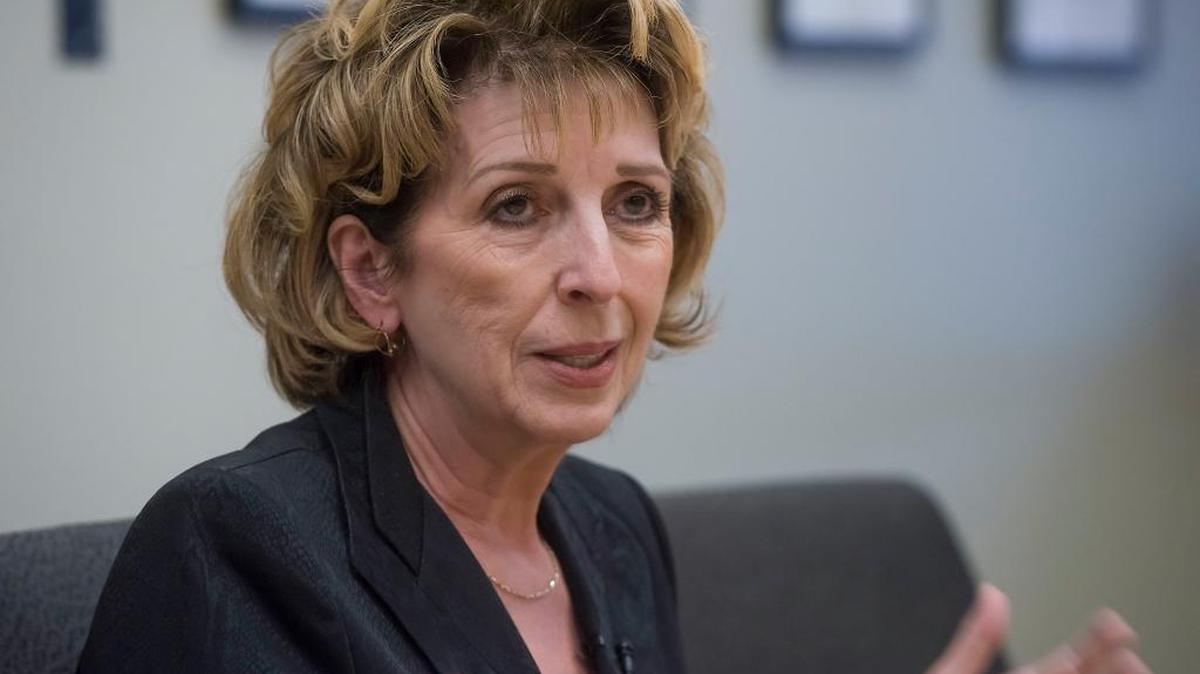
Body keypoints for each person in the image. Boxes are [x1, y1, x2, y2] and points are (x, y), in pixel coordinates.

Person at [76, 1, 1151, 673]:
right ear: (370, 270)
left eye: (635, 203)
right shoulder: (237, 547)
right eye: (516, 207)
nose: (599, 274)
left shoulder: (610, 525)